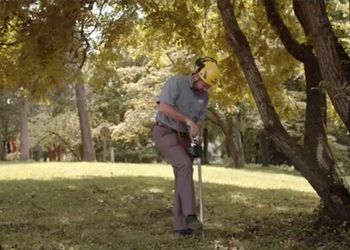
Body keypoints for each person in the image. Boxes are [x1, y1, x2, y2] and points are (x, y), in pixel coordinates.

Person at [152, 57, 220, 236]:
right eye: (204, 84)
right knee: (184, 164)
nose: (205, 89)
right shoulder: (176, 82)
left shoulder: (204, 97)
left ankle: (181, 227)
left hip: (183, 138)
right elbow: (164, 108)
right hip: (164, 132)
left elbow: (198, 122)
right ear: (197, 75)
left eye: (208, 87)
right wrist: (187, 120)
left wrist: (195, 134)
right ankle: (190, 215)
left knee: (182, 177)